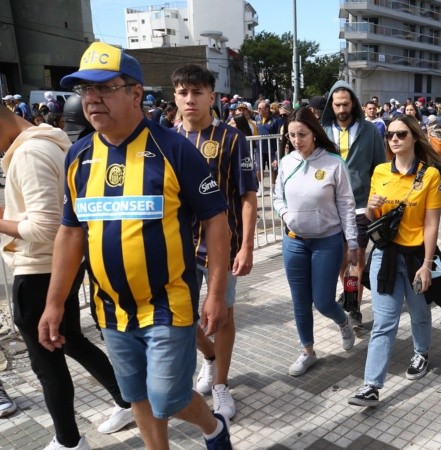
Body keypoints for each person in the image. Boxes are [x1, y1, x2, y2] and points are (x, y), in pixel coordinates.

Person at [37, 42, 233, 449]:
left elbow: (217, 222)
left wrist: (215, 293)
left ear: (135, 94)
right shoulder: (78, 156)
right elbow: (71, 233)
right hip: (110, 308)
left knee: (169, 397)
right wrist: (55, 303)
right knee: (137, 395)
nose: (91, 99)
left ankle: (214, 428)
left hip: (168, 302)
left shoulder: (175, 149)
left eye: (104, 88)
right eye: (84, 91)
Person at [0, 90, 136, 450]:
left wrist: (2, 221)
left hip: (39, 268)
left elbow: (46, 228)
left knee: (46, 360)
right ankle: (126, 400)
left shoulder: (29, 153)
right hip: (59, 264)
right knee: (71, 339)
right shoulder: (47, 142)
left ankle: (69, 441)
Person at [172, 64, 258, 421]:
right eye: (182, 93)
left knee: (222, 316)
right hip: (177, 246)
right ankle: (209, 357)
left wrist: (247, 246)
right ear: (174, 96)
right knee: (180, 317)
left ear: (212, 96)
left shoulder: (232, 138)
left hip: (223, 246)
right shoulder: (167, 138)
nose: (189, 100)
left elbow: (248, 195)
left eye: (196, 92)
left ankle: (221, 385)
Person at [348, 114, 441, 407]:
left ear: (414, 136)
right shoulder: (379, 172)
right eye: (390, 135)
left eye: (401, 134)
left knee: (418, 312)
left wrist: (427, 264)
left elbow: (431, 224)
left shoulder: (429, 175)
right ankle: (371, 386)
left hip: (416, 257)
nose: (395, 139)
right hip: (385, 257)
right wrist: (371, 209)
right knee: (384, 323)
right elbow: (374, 220)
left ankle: (421, 352)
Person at [273, 107, 358, 376]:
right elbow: (277, 198)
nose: (297, 140)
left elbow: (346, 204)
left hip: (327, 241)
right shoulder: (287, 162)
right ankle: (307, 351)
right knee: (299, 300)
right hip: (294, 241)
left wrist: (352, 241)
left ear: (314, 133)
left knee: (322, 301)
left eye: (302, 134)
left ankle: (343, 321)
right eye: (292, 135)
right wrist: (286, 214)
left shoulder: (333, 162)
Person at [321, 80, 386, 328]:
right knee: (341, 261)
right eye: (336, 104)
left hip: (360, 206)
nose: (341, 109)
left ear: (354, 104)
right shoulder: (323, 131)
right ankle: (349, 294)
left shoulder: (369, 131)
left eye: (345, 104)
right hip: (331, 207)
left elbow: (380, 168)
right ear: (331, 105)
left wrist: (377, 202)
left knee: (355, 260)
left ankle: (353, 306)